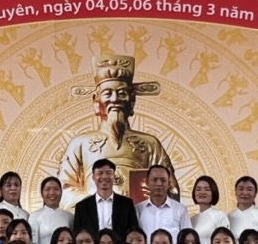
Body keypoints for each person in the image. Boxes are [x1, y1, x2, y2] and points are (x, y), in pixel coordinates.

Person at [59, 55, 177, 207]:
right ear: (96, 100)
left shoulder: (150, 144)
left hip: (138, 217)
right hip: (95, 219)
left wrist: (156, 193)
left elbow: (173, 191)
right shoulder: (80, 144)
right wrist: (100, 200)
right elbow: (64, 190)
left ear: (132, 100)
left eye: (122, 93)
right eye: (107, 94)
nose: (115, 99)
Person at [71, 157, 140, 239]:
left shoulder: (126, 203)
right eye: (100, 173)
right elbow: (77, 235)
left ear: (114, 176)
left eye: (108, 173)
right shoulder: (82, 206)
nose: (104, 176)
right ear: (93, 177)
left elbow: (133, 232)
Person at [136, 164, 190, 244]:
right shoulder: (138, 209)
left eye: (163, 180)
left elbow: (187, 238)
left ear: (169, 183)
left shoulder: (180, 210)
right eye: (154, 180)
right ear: (147, 182)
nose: (159, 184)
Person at [29, 177, 74, 244]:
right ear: (42, 193)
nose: (52, 192)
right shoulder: (34, 216)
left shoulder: (69, 217)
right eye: (47, 189)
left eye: (56, 189)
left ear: (61, 192)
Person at [190, 175, 230, 244]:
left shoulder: (219, 216)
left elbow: (225, 243)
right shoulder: (192, 219)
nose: (202, 192)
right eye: (198, 189)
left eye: (207, 189)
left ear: (213, 192)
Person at [227, 176, 258, 241]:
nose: (245, 193)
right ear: (235, 192)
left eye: (249, 189)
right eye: (241, 189)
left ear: (255, 194)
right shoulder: (229, 217)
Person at [0, 171, 30, 239]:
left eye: (16, 185)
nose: (13, 188)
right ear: (1, 190)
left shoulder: (25, 214)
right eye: (8, 185)